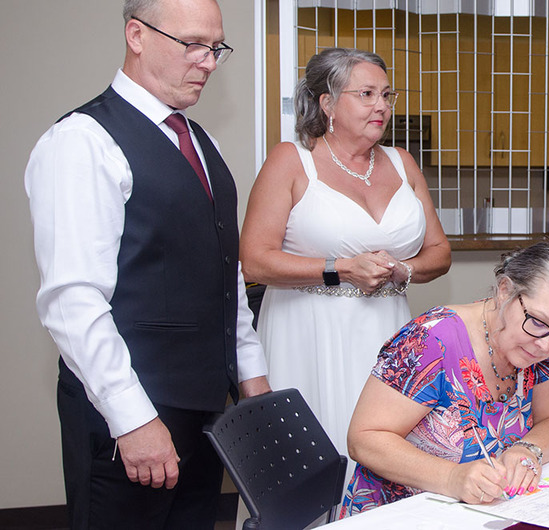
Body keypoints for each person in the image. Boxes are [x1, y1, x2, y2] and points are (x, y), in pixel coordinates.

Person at [24, 1, 271, 528]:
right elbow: (73, 302)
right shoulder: (82, 142)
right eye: (193, 45)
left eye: (216, 48)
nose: (207, 61)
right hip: (128, 415)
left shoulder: (203, 143)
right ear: (136, 35)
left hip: (207, 414)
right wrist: (133, 420)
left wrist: (254, 383)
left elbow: (226, 279)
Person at [240, 47, 451, 457]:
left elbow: (440, 252)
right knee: (318, 453)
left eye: (388, 96)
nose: (382, 107)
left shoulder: (402, 162)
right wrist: (341, 269)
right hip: (308, 332)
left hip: (387, 330)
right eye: (367, 94)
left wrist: (401, 270)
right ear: (328, 103)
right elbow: (255, 258)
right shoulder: (291, 161)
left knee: (388, 448)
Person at [340, 241, 549, 515]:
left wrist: (526, 449)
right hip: (399, 513)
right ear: (505, 291)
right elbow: (364, 439)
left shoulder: (536, 344)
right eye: (538, 322)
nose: (546, 346)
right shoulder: (430, 341)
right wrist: (451, 477)